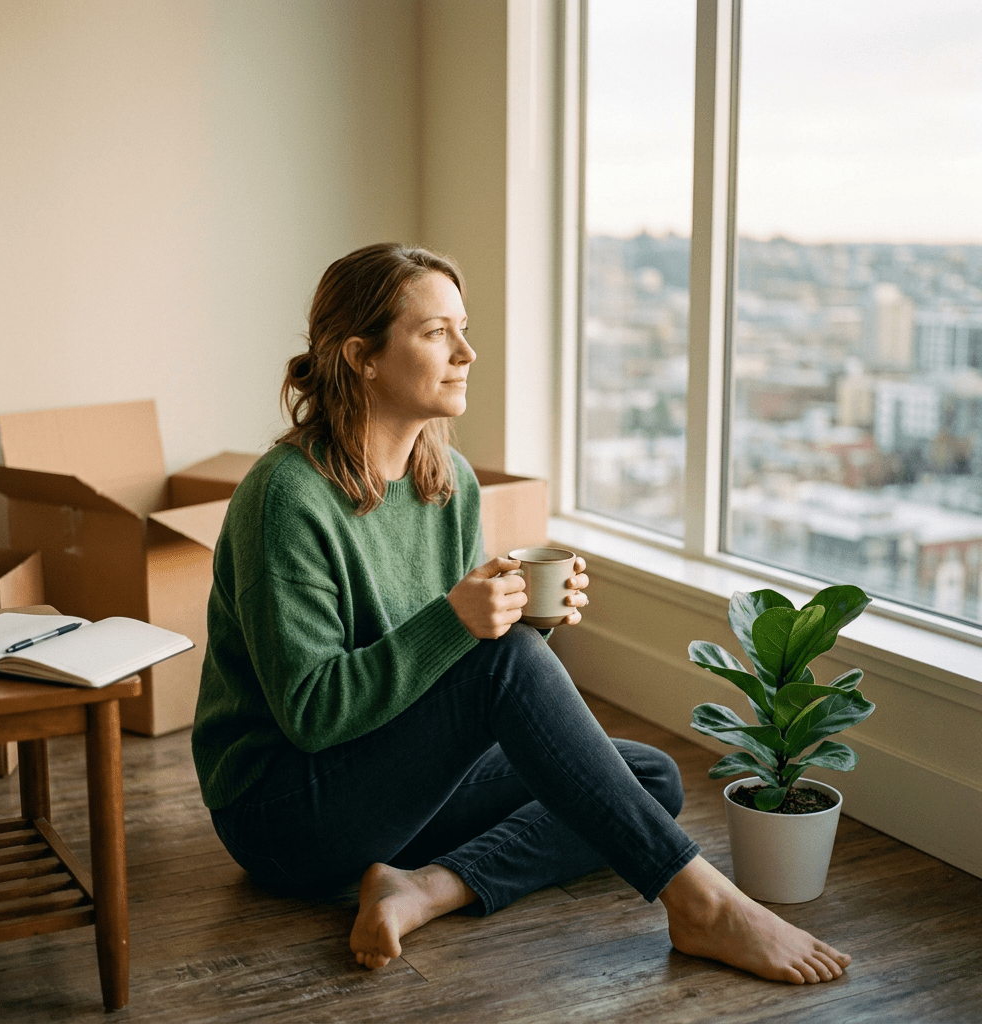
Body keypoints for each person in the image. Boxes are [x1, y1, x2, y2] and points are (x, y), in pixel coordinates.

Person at [191, 242, 852, 985]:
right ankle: (702, 902)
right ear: (361, 357)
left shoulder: (450, 481)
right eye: (436, 332)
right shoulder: (287, 497)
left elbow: (458, 672)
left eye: (463, 328)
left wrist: (525, 621)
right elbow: (312, 713)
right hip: (286, 812)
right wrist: (467, 626)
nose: (467, 352)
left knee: (649, 782)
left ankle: (424, 888)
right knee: (537, 707)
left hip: (393, 784)